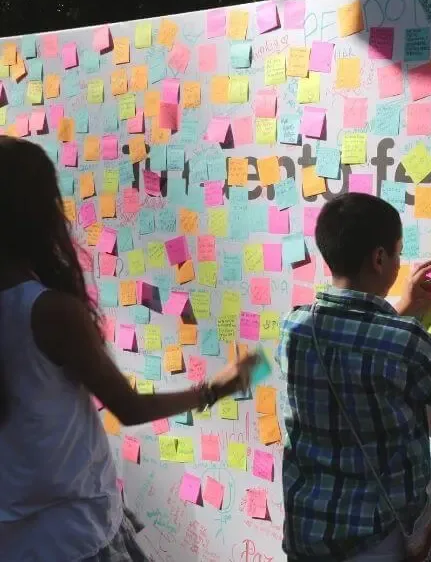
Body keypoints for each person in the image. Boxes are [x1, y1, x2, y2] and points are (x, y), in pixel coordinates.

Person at [0, 136, 258, 561]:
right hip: (71, 537)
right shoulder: (49, 312)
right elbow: (128, 407)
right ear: (35, 213)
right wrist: (215, 388)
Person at [276, 192, 431, 561]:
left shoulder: (293, 327)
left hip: (307, 534)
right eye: (398, 253)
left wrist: (401, 306)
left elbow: (354, 350)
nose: (399, 262)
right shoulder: (404, 340)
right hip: (375, 541)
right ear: (379, 257)